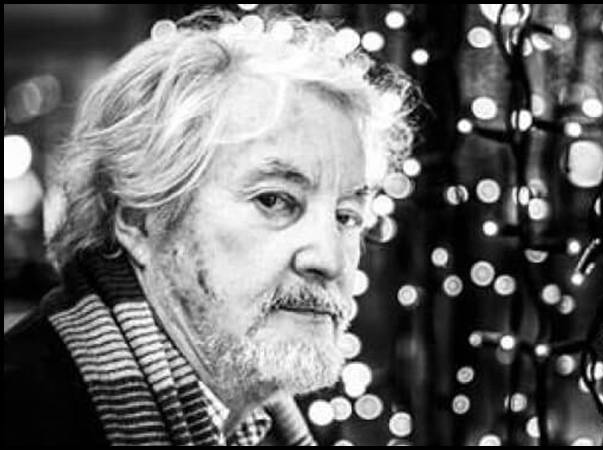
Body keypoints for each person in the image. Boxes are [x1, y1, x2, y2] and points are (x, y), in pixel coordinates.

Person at [4, 8, 416, 446]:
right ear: (140, 220)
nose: (330, 260)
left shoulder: (256, 419)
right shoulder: (24, 412)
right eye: (274, 201)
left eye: (347, 216)